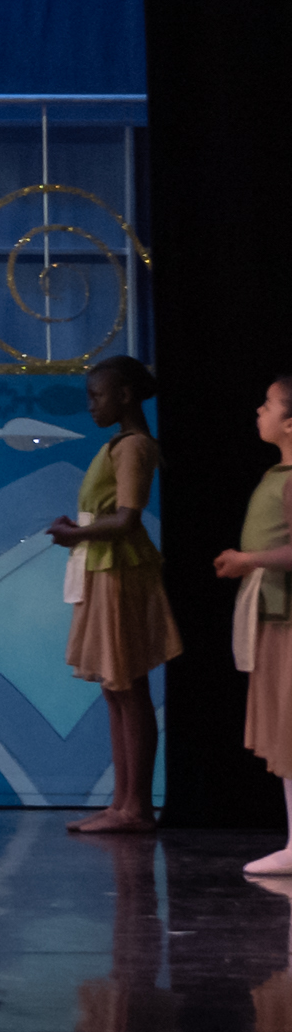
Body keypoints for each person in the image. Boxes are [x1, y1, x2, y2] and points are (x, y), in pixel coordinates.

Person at [51, 354, 180, 835]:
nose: (91, 405)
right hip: (102, 567)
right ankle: (123, 802)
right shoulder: (119, 445)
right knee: (114, 688)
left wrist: (76, 534)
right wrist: (78, 529)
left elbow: (126, 518)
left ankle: (136, 807)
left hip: (119, 569)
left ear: (124, 396)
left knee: (127, 685)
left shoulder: (134, 447)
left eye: (97, 396)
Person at [217, 376, 292, 878]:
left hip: (288, 618)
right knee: (285, 731)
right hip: (273, 612)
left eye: (268, 404)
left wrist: (249, 559)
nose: (259, 411)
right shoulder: (276, 474)